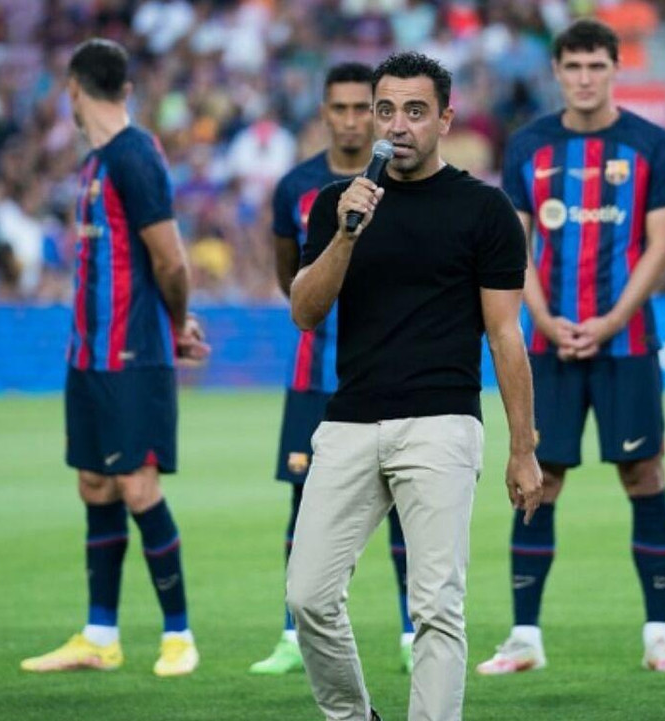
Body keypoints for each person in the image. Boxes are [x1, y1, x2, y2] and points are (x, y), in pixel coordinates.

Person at [286, 51, 543, 721]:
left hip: (442, 422)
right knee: (308, 595)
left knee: (436, 607)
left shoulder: (484, 210)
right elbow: (306, 312)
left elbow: (506, 333)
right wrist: (346, 233)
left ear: (445, 119)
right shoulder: (335, 205)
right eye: (386, 110)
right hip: (348, 421)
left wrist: (524, 447)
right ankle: (353, 714)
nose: (398, 125)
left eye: (416, 111)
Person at [476, 18, 665, 675]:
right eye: (573, 67)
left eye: (597, 66)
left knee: (644, 474)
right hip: (548, 345)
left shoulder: (651, 144)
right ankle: (525, 637)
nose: (585, 77)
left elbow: (661, 246)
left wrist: (606, 319)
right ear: (557, 72)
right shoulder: (529, 145)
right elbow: (515, 245)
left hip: (626, 342)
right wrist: (542, 316)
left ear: (615, 67)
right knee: (540, 480)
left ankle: (659, 635)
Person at [20, 38, 209, 678]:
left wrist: (177, 324)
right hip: (89, 354)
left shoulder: (133, 156)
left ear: (73, 89)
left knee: (136, 485)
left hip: (133, 351)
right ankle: (100, 635)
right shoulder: (96, 162)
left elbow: (171, 259)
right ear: (124, 88)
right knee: (95, 484)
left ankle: (179, 635)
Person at [252, 61, 417, 677]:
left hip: (387, 371)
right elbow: (287, 276)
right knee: (302, 504)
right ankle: (295, 634)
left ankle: (409, 629)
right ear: (324, 112)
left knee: (406, 500)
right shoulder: (294, 187)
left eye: (361, 108)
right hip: (314, 374)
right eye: (340, 108)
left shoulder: (404, 180)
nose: (351, 120)